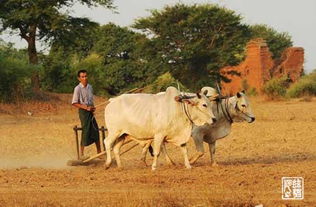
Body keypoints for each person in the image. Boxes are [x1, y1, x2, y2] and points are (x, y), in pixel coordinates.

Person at [72, 70, 101, 159]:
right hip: (83, 112)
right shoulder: (77, 88)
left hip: (90, 111)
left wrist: (92, 108)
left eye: (85, 76)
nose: (85, 78)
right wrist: (86, 108)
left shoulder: (90, 87)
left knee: (95, 130)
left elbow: (91, 100)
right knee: (86, 130)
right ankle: (82, 154)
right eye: (82, 77)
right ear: (79, 78)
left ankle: (99, 153)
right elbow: (74, 103)